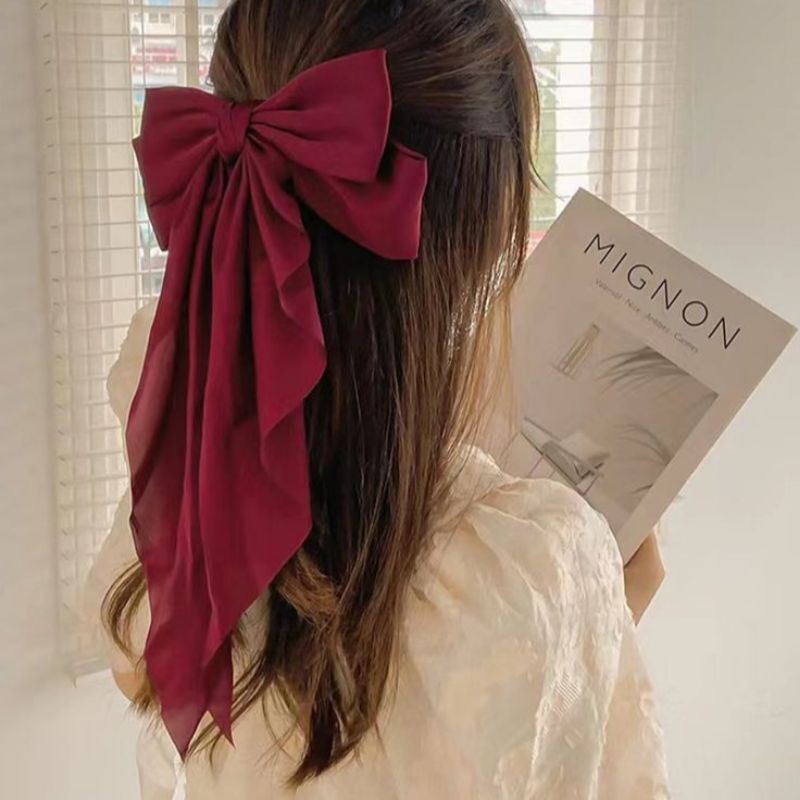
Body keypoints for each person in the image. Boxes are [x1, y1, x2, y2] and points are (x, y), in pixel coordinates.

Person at [84, 0, 669, 797]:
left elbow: (140, 664)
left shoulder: (188, 418)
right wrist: (602, 611)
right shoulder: (538, 562)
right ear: (484, 240)